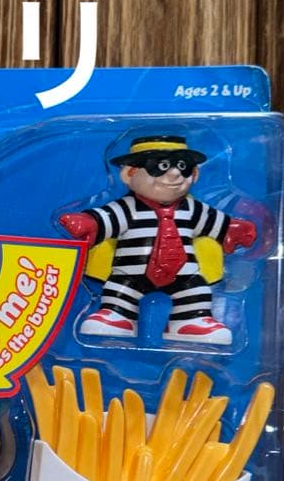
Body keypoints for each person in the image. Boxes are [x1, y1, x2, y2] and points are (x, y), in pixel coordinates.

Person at [60, 136, 256, 345]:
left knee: (196, 290)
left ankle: (190, 320)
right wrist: (89, 223)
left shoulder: (192, 209)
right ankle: (118, 316)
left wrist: (233, 230)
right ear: (129, 174)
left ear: (194, 174)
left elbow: (214, 222)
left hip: (184, 274)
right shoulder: (127, 208)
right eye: (160, 166)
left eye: (183, 167)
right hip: (131, 273)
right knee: (119, 289)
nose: (175, 174)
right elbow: (106, 220)